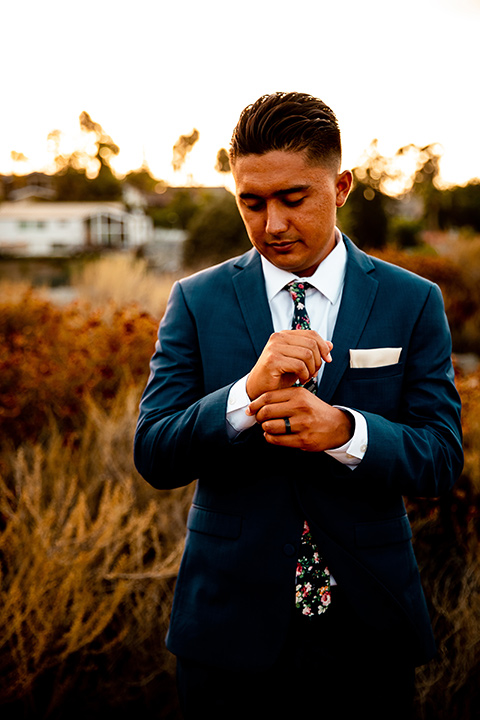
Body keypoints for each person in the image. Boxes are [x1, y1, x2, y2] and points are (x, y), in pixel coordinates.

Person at [134, 92, 463, 719]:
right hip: (227, 631)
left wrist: (344, 430)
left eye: (293, 198)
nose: (272, 225)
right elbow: (154, 452)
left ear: (340, 186)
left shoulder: (413, 301)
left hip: (369, 627)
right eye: (251, 203)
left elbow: (442, 458)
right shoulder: (196, 301)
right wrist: (244, 395)